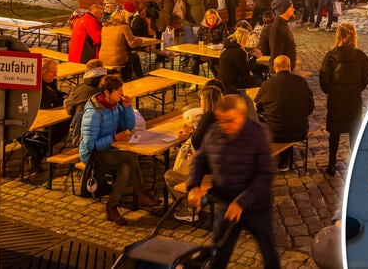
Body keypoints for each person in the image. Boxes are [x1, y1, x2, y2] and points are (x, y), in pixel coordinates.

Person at [186, 94, 280, 269]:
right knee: (219, 253)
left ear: (242, 116)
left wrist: (242, 202)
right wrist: (193, 186)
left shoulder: (257, 134)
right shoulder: (214, 132)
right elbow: (200, 160)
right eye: (222, 121)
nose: (226, 126)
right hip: (227, 203)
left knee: (269, 254)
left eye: (231, 120)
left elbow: (265, 174)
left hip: (256, 206)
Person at [79, 75, 159, 225]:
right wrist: (113, 138)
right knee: (129, 157)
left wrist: (127, 108)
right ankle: (140, 193)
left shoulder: (115, 106)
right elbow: (90, 145)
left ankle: (112, 207)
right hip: (92, 155)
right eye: (117, 91)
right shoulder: (94, 113)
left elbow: (128, 126)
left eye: (121, 90)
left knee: (126, 168)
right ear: (107, 93)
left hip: (110, 150)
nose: (121, 94)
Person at [164, 82, 223, 221]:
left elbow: (196, 143)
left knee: (170, 176)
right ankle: (200, 201)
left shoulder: (209, 116)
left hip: (211, 173)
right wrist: (193, 133)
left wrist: (191, 135)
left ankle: (189, 209)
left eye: (201, 100)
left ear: (206, 100)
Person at [319, 23, 368, 177]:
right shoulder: (361, 56)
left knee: (334, 133)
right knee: (354, 132)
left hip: (336, 99)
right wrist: (357, 88)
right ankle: (356, 165)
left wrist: (330, 91)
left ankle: (331, 165)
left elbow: (323, 78)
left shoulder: (330, 56)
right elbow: (367, 76)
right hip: (353, 99)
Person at [255, 54, 315, 171]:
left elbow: (258, 106)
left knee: (268, 119)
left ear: (274, 68)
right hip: (300, 130)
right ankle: (284, 160)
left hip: (275, 133)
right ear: (289, 67)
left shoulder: (267, 84)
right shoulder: (301, 82)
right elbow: (310, 106)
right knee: (287, 117)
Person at [22, 58, 68, 173]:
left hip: (48, 115)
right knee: (59, 127)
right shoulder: (34, 85)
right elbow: (44, 104)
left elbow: (55, 94)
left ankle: (36, 150)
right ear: (42, 72)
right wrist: (60, 101)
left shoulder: (50, 81)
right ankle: (36, 148)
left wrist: (65, 96)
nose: (56, 75)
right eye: (53, 72)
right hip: (30, 118)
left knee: (65, 123)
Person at [99, 9, 146, 80]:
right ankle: (139, 77)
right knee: (135, 57)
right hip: (117, 59)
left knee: (127, 56)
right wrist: (139, 40)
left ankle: (125, 77)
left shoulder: (104, 28)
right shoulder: (124, 27)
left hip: (103, 59)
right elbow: (132, 44)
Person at [219, 26, 267, 96]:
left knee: (255, 78)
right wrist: (254, 57)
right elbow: (246, 70)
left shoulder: (225, 49)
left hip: (223, 81)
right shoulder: (239, 51)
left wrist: (250, 55)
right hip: (233, 83)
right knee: (259, 81)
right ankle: (256, 100)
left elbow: (237, 63)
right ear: (243, 39)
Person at [194, 9, 227, 77]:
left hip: (217, 52)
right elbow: (198, 40)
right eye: (210, 18)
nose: (212, 20)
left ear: (217, 17)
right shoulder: (202, 28)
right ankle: (194, 81)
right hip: (205, 52)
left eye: (214, 18)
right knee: (194, 61)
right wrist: (201, 45)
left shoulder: (222, 26)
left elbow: (225, 40)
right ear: (206, 19)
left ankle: (219, 80)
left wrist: (216, 46)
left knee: (214, 64)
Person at [267, 0, 298, 70]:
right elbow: (276, 52)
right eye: (291, 8)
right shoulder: (278, 28)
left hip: (286, 68)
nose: (294, 10)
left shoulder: (283, 24)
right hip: (282, 70)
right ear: (284, 9)